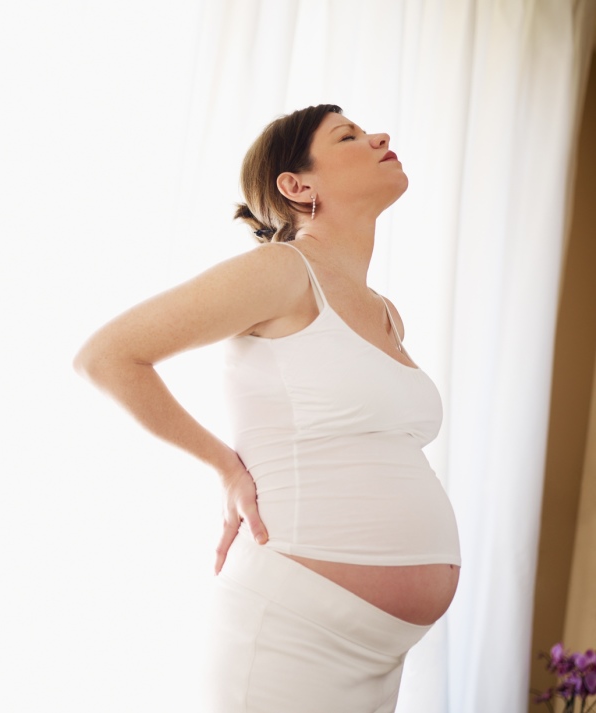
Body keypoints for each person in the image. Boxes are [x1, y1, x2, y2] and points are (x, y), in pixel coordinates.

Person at [72, 104, 461, 712]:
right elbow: (108, 356)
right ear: (297, 186)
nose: (380, 136)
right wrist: (226, 467)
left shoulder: (385, 311)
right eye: (349, 136)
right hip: (294, 635)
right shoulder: (282, 272)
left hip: (381, 649)